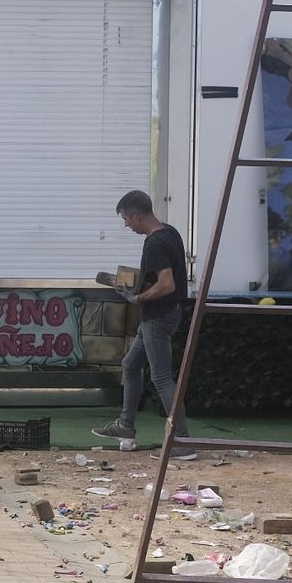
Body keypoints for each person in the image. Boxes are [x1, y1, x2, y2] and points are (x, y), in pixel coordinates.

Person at [92, 189, 196, 460]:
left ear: (136, 216)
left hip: (157, 316)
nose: (126, 224)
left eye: (126, 219)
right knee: (130, 364)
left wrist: (138, 297)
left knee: (161, 377)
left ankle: (182, 441)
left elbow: (167, 284)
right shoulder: (170, 232)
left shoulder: (154, 243)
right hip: (163, 314)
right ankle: (126, 426)